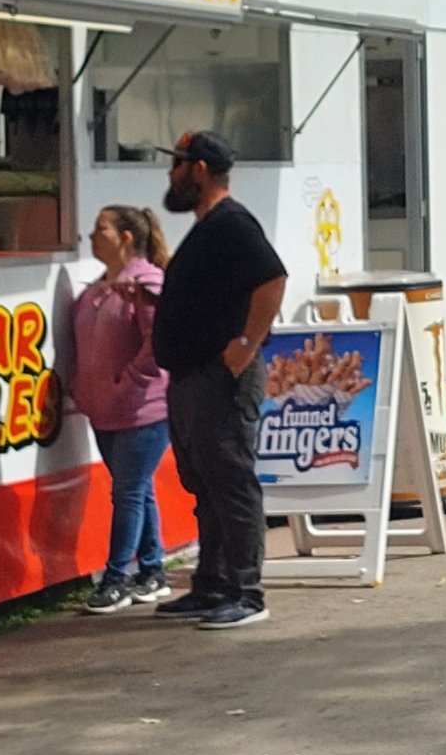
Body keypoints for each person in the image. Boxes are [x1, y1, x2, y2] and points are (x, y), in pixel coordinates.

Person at [154, 130, 288, 627]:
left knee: (230, 481)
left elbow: (272, 278)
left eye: (178, 164)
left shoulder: (232, 222)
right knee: (206, 484)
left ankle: (247, 592)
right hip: (192, 376)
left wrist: (248, 343)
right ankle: (211, 584)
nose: (171, 174)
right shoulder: (207, 227)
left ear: (201, 169)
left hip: (219, 378)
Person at [67, 203, 173, 612]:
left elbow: (157, 343)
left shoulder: (147, 284)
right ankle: (152, 570)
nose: (91, 237)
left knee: (127, 492)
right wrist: (83, 389)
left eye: (101, 229)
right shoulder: (96, 291)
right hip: (104, 410)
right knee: (137, 489)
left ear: (126, 238)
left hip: (143, 411)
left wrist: (128, 381)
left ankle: (116, 579)